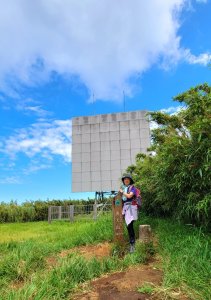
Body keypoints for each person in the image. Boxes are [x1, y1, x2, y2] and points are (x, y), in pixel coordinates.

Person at [119, 174, 138, 253]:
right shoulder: (123, 189)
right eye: (125, 179)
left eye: (128, 179)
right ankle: (131, 243)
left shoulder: (132, 188)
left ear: (130, 180)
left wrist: (122, 192)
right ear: (123, 181)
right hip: (125, 208)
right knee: (128, 226)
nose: (126, 180)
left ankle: (132, 245)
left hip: (131, 208)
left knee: (130, 225)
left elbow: (130, 196)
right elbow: (120, 199)